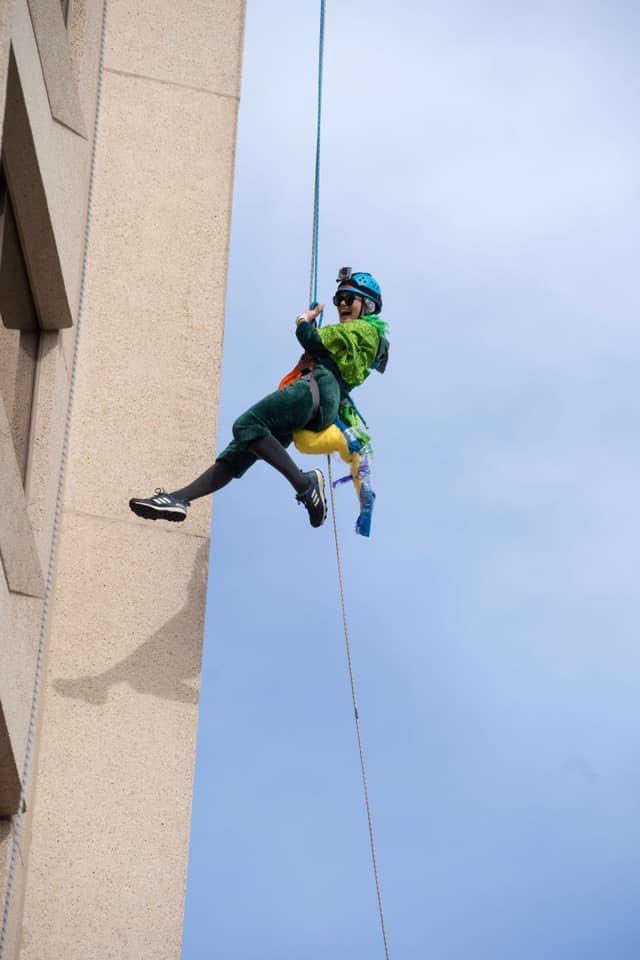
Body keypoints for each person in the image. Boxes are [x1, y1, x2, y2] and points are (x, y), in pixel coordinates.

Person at [128, 268, 388, 529]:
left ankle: (305, 484)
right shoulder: (357, 335)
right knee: (237, 454)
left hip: (315, 389)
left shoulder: (366, 331)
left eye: (349, 298)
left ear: (367, 304)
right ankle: (178, 499)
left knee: (247, 425)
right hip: (317, 396)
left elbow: (310, 338)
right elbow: (320, 346)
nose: (342, 303)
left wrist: (303, 320)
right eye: (339, 299)